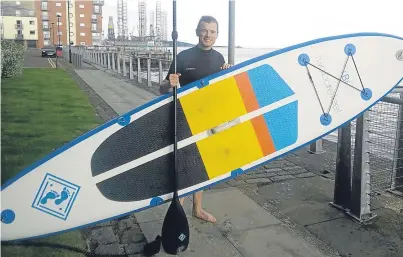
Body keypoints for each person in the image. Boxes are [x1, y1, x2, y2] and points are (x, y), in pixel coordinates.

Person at [160, 15, 232, 223]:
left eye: (212, 31)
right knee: (185, 166)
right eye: (204, 30)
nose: (208, 35)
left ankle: (198, 209)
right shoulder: (183, 57)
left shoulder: (219, 59)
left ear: (217, 34)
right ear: (197, 31)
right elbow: (162, 89)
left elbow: (222, 92)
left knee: (203, 164)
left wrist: (227, 75)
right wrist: (170, 84)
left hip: (209, 117)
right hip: (186, 117)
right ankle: (177, 213)